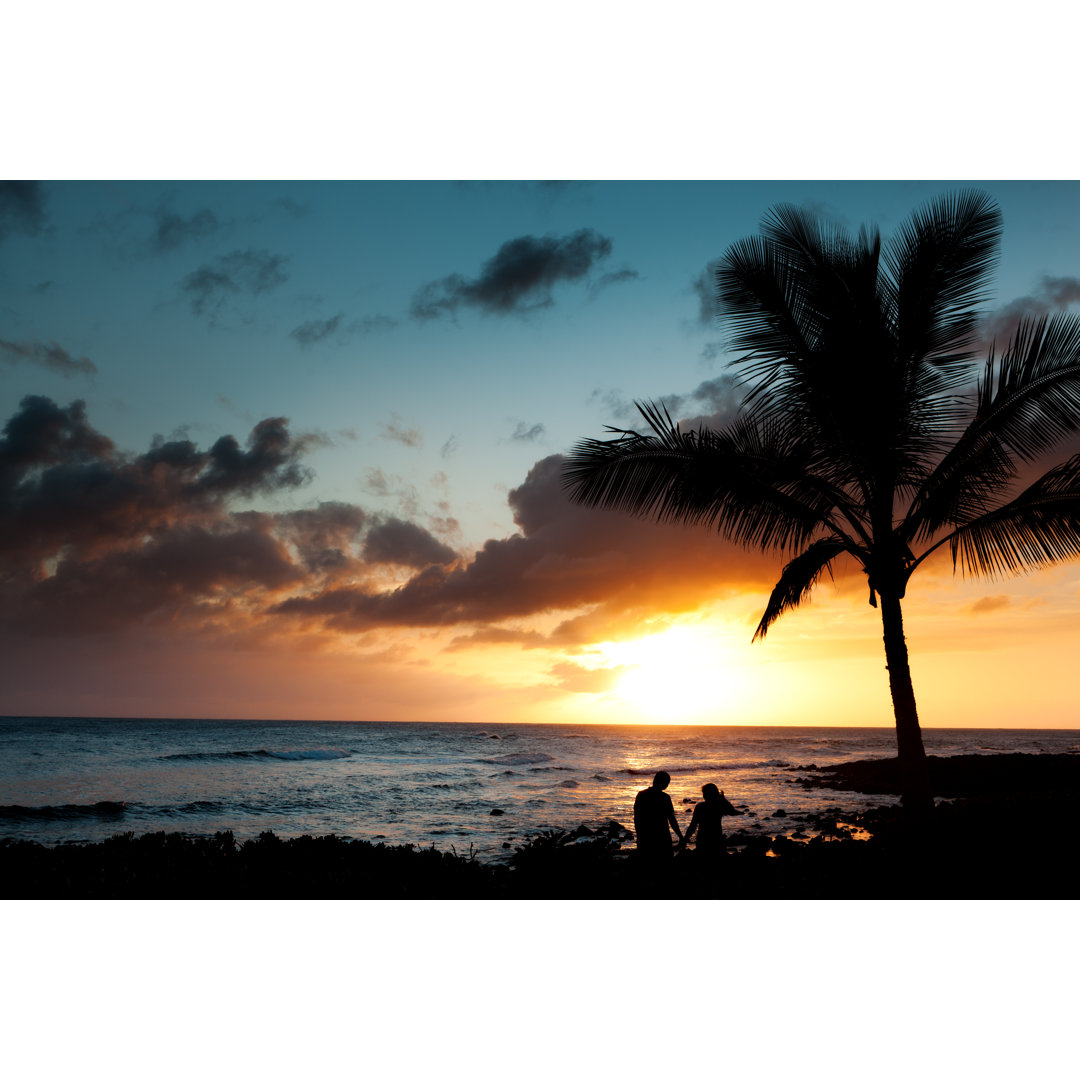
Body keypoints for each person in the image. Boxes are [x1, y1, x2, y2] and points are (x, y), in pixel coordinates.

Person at [679, 783, 742, 859]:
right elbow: (732, 811)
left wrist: (685, 840)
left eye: (705, 793)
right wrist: (723, 798)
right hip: (715, 839)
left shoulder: (701, 806)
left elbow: (693, 826)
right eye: (704, 793)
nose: (704, 795)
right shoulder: (719, 806)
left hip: (704, 840)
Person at [633, 770, 682, 861]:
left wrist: (639, 835)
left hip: (645, 835)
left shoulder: (641, 795)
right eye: (667, 782)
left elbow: (637, 818)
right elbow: (671, 818)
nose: (667, 785)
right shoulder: (665, 797)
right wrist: (680, 835)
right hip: (662, 835)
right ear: (664, 783)